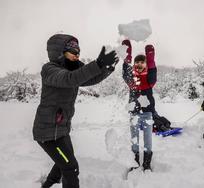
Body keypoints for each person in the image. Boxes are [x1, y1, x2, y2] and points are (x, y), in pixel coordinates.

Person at [33, 33, 119, 188]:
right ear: (59, 52)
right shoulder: (50, 70)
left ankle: (48, 185)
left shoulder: (73, 69)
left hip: (61, 130)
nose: (77, 55)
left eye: (78, 52)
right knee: (70, 167)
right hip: (48, 133)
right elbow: (70, 79)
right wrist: (98, 63)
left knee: (64, 163)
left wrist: (107, 69)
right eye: (73, 52)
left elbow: (89, 79)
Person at [122, 39, 157, 171]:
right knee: (134, 139)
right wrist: (128, 54)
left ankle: (147, 163)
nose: (139, 64)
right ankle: (135, 162)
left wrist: (150, 57)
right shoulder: (132, 80)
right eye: (137, 61)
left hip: (147, 113)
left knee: (148, 140)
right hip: (134, 113)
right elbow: (125, 72)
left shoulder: (149, 80)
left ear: (146, 64)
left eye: (142, 62)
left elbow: (153, 73)